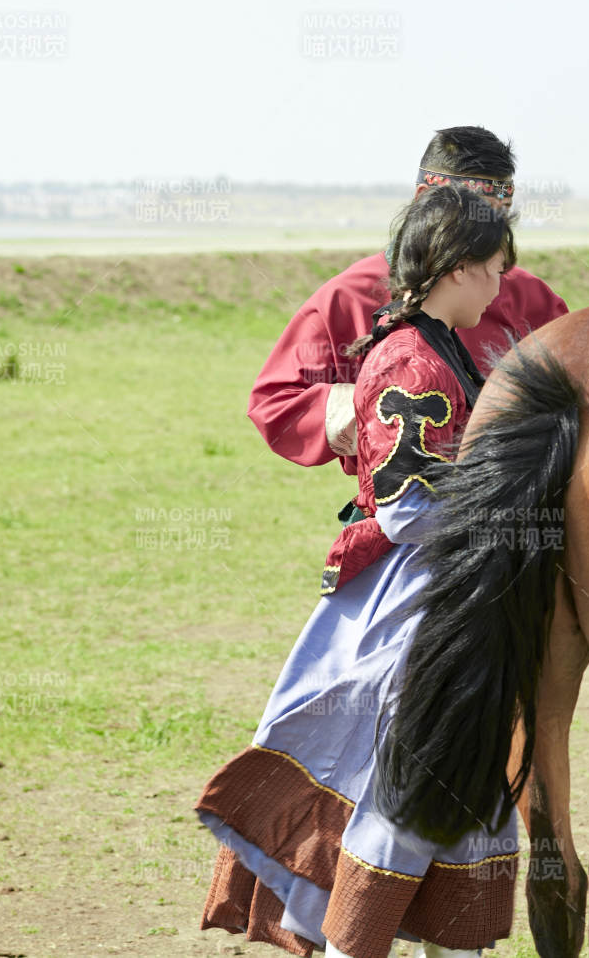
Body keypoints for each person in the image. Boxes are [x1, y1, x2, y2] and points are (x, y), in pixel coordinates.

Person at [195, 186, 519, 958]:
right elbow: (409, 511)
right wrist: (514, 521)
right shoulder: (413, 361)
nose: (504, 285)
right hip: (411, 611)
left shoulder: (436, 345)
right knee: (407, 791)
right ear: (460, 267)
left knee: (456, 789)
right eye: (498, 268)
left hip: (444, 598)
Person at [247, 126, 567, 477]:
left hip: (513, 503)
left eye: (499, 217)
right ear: (422, 199)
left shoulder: (531, 299)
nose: (486, 240)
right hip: (400, 511)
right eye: (475, 215)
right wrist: (382, 407)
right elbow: (276, 406)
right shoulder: (347, 297)